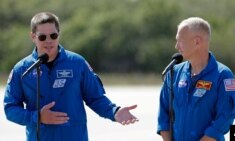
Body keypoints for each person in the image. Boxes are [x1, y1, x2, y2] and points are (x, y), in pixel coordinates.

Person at [4, 12, 138, 141]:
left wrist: (115, 112)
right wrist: (37, 117)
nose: (49, 41)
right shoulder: (22, 69)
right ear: (33, 37)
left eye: (53, 35)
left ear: (59, 35)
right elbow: (10, 109)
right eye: (42, 37)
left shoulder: (77, 63)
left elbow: (95, 98)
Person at [157, 17, 235, 141]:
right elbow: (164, 117)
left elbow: (224, 118)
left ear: (197, 42)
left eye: (180, 41)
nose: (176, 46)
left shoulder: (223, 75)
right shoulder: (174, 73)